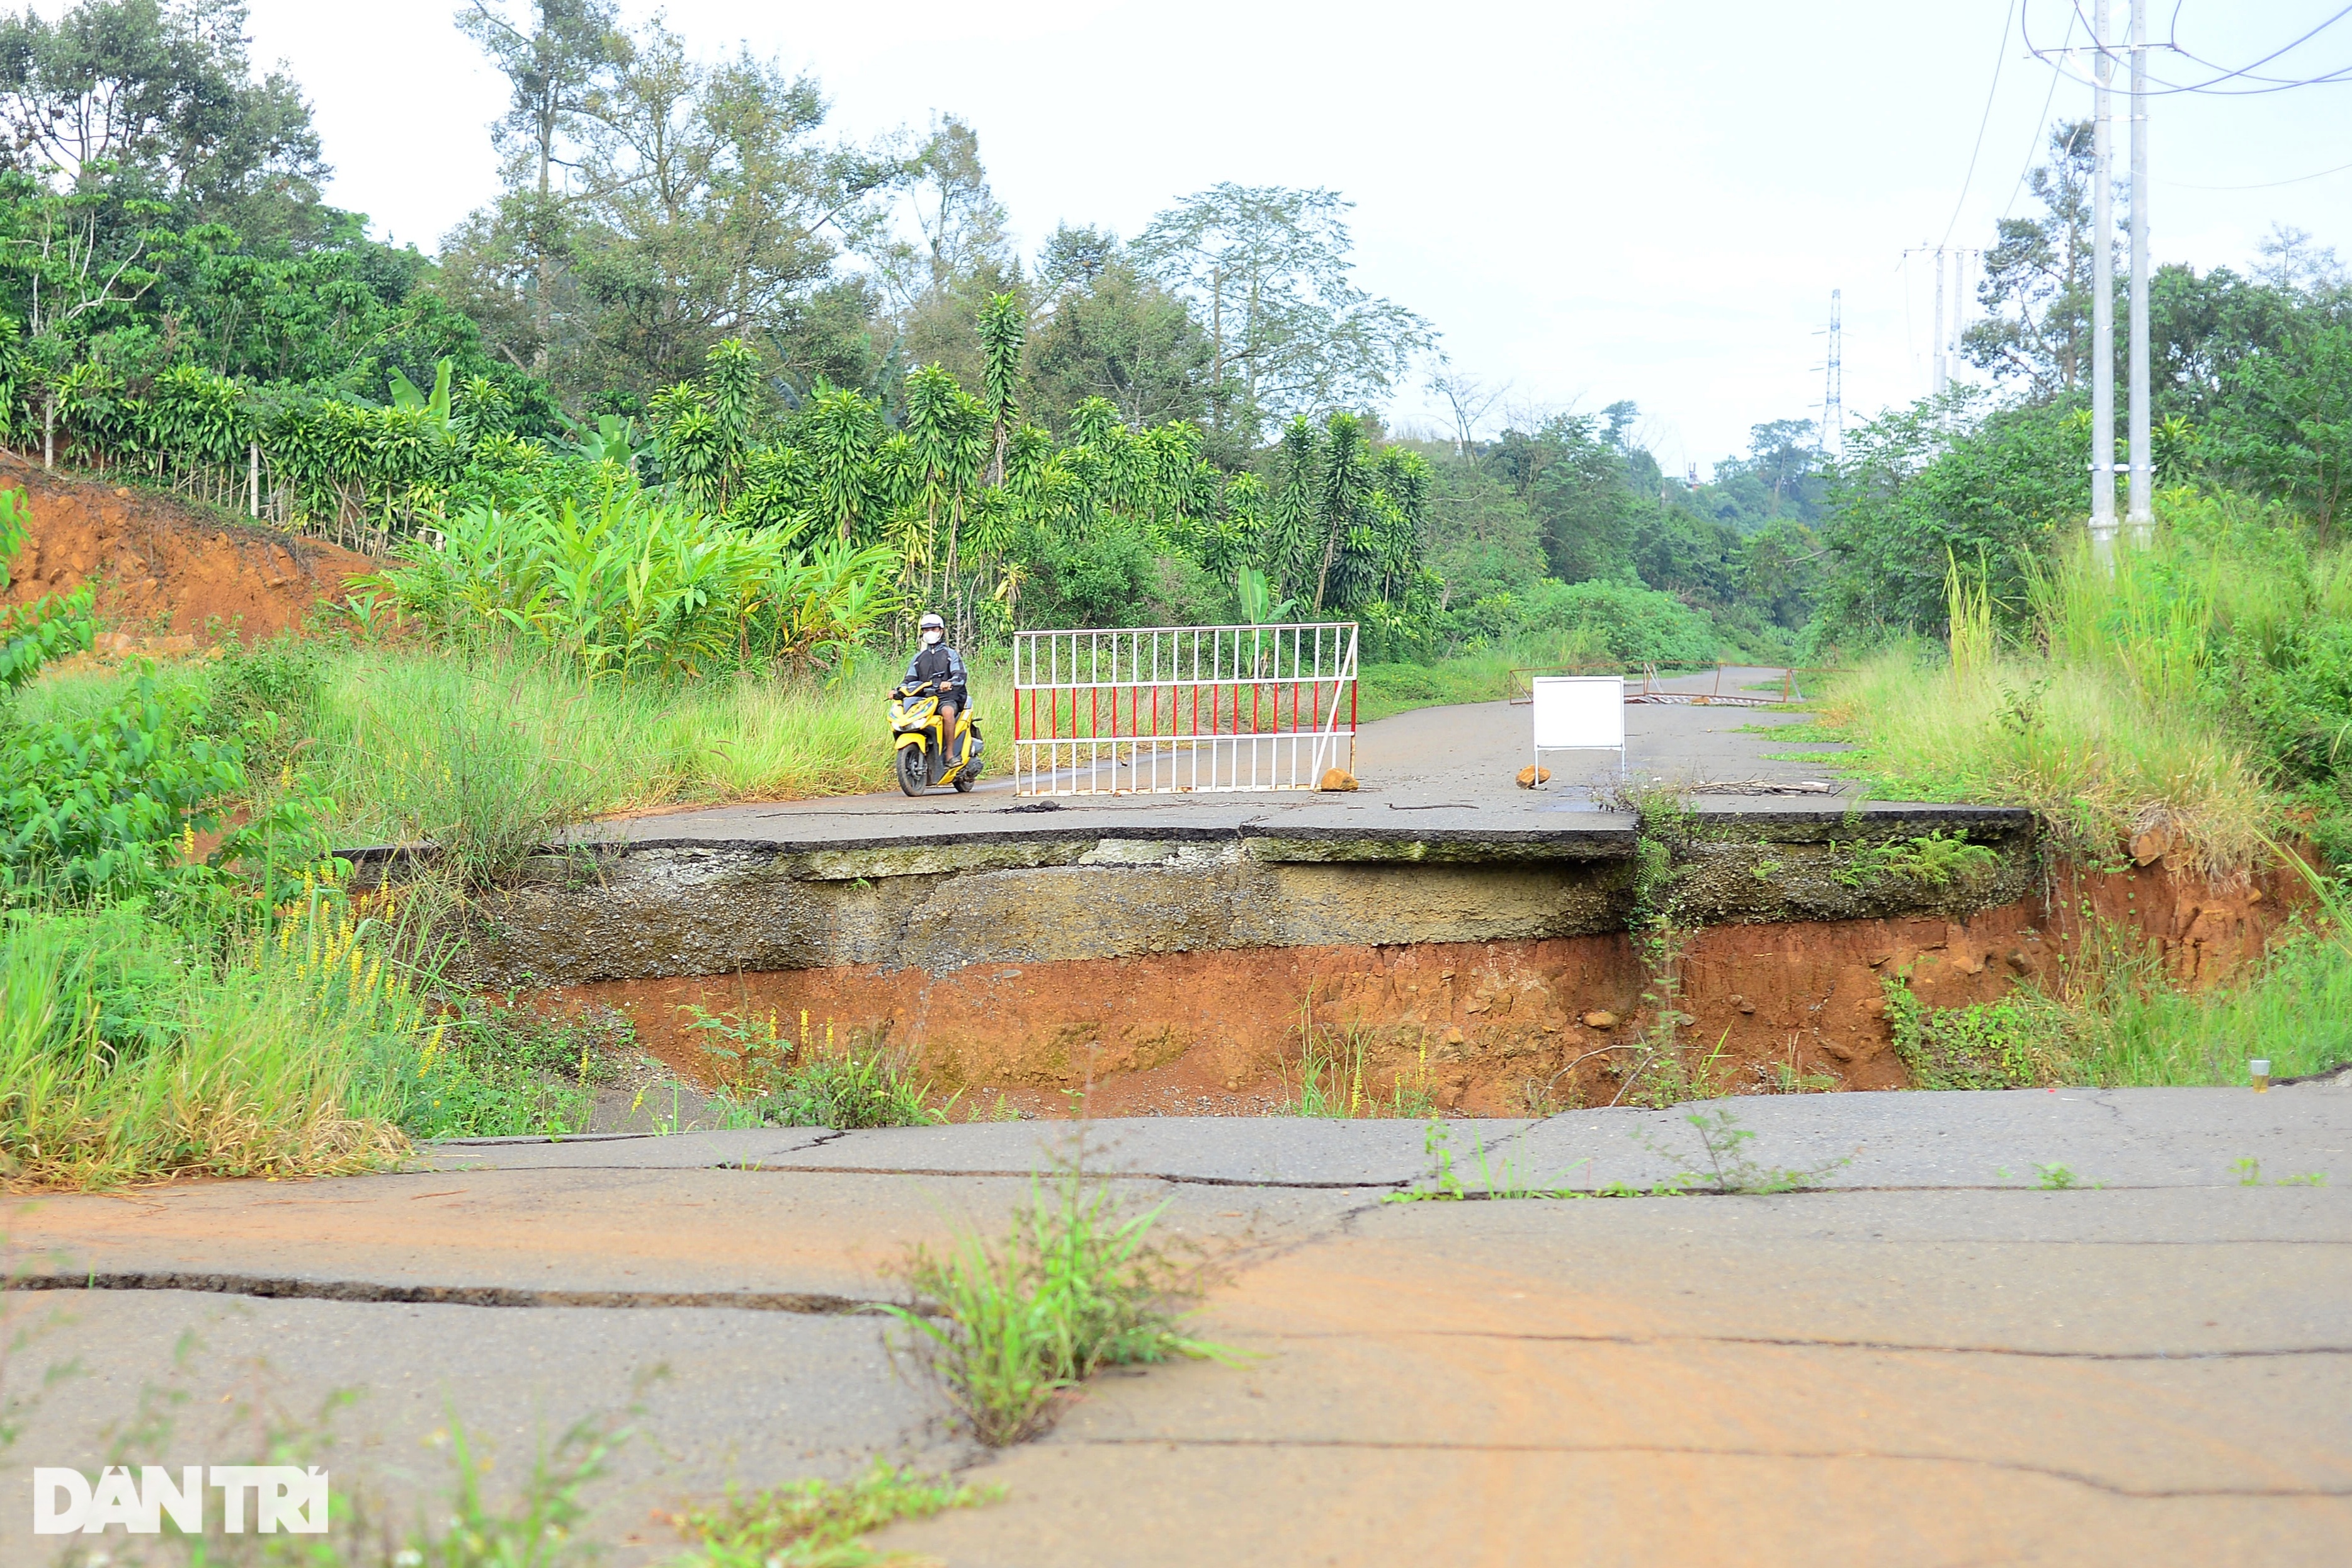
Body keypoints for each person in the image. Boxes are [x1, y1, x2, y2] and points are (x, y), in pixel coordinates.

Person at [904, 611, 970, 762]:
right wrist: (897, 690)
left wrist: (950, 683)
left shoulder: (950, 654)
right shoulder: (918, 658)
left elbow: (960, 676)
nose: (930, 633)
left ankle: (950, 755)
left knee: (947, 713)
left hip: (947, 698)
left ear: (941, 631)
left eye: (933, 629)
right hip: (924, 700)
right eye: (926, 630)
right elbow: (909, 679)